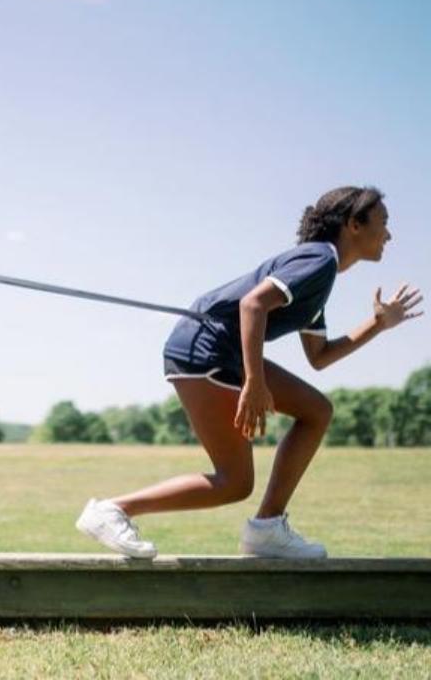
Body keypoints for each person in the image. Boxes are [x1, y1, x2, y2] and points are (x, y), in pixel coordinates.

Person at [77, 187, 423, 559]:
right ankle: (112, 510)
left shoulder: (320, 276)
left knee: (316, 411)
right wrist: (254, 384)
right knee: (235, 482)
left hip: (222, 352)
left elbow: (319, 356)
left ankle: (268, 528)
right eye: (383, 223)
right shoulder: (320, 260)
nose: (389, 234)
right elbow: (252, 304)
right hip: (204, 351)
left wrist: (377, 323)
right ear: (354, 225)